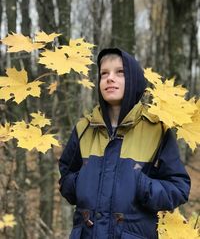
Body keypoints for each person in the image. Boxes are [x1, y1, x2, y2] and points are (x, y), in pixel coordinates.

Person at [59, 48, 191, 239]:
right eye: (104, 73)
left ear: (134, 79)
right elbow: (66, 177)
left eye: (119, 72)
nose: (110, 78)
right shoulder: (84, 129)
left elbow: (178, 189)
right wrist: (81, 182)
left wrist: (141, 185)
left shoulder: (157, 130)